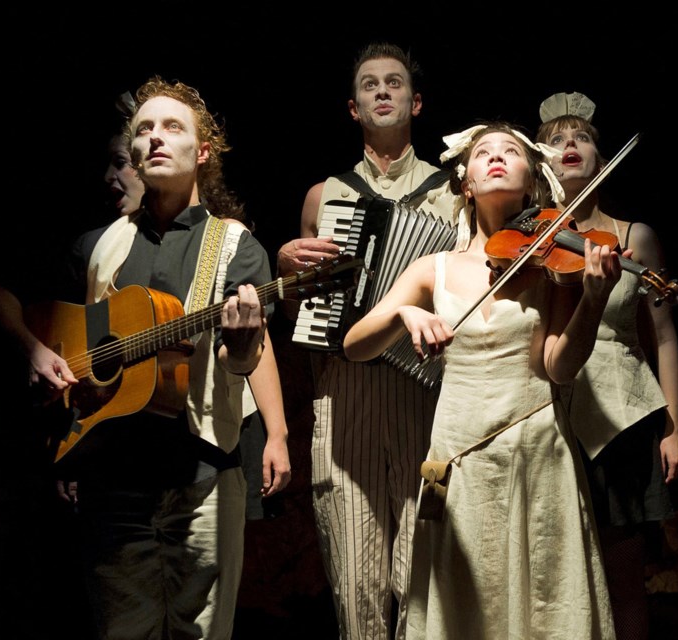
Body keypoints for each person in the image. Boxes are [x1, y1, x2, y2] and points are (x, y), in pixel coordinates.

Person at [0, 76, 290, 639]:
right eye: (143, 129)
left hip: (202, 473)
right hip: (111, 477)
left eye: (172, 127)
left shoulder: (236, 246)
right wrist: (32, 351)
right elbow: (4, 295)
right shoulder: (97, 245)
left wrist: (246, 346)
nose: (154, 138)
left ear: (202, 152)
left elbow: (243, 358)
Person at [342, 122, 620, 639]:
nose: (495, 157)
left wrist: (593, 298)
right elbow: (355, 345)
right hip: (458, 452)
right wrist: (405, 316)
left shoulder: (552, 263)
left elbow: (559, 366)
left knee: (542, 601)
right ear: (466, 182)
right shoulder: (434, 268)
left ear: (532, 182)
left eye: (510, 152)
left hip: (535, 447)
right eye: (483, 153)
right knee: (462, 602)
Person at [275, 42, 463, 639]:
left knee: (420, 571)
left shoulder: (452, 194)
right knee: (355, 574)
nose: (382, 91)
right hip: (347, 387)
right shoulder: (323, 195)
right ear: (353, 107)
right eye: (369, 84)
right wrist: (286, 267)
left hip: (426, 391)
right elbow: (300, 306)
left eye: (395, 83)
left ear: (416, 101)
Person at [536, 92, 678, 640]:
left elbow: (664, 338)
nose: (569, 145)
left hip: (622, 416)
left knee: (624, 576)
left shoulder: (633, 237)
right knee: (554, 575)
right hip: (546, 415)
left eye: (580, 137)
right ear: (540, 160)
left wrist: (673, 427)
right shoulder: (531, 239)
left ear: (600, 157)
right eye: (554, 140)